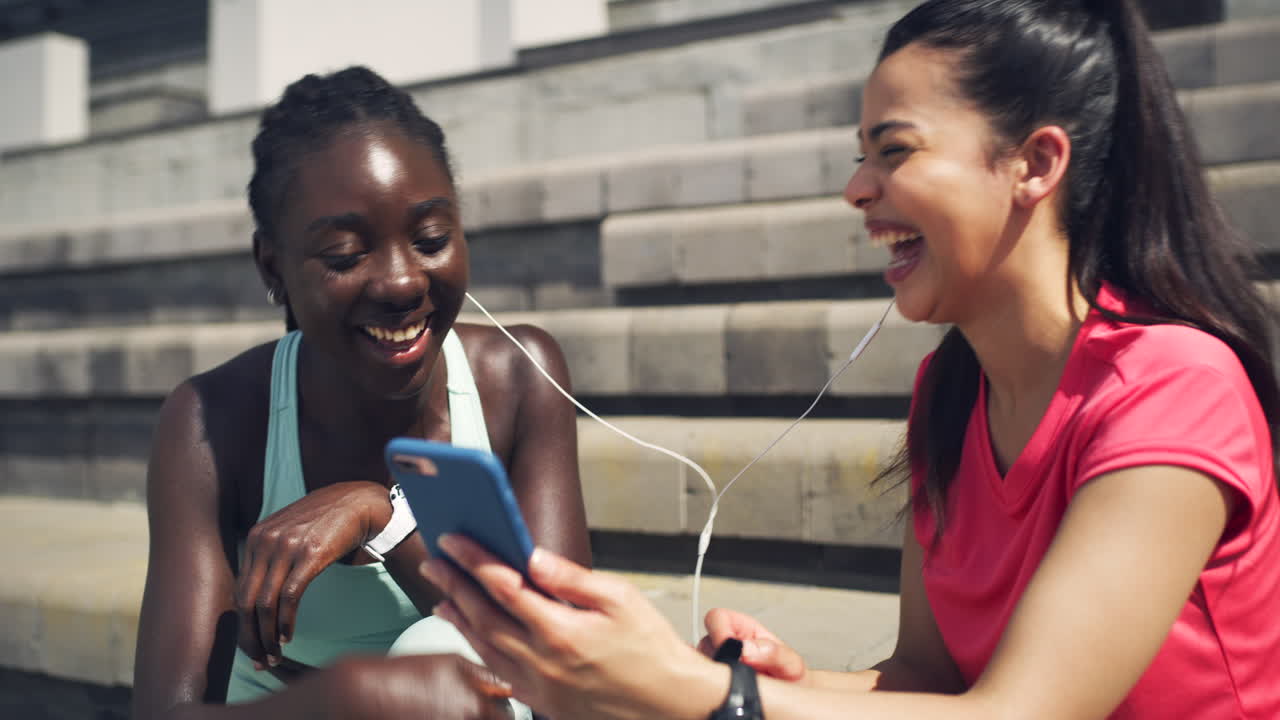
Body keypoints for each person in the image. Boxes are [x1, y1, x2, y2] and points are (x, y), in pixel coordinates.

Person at [423, 1, 1280, 717]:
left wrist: (699, 692)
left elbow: (1018, 713)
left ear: (1035, 162)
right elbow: (926, 678)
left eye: (894, 150)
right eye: (858, 156)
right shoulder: (950, 387)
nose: (857, 188)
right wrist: (758, 678)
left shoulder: (1173, 388)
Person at [131, 66, 590, 720]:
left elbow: (571, 673)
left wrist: (381, 516)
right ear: (273, 268)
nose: (402, 281)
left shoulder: (517, 378)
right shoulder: (214, 421)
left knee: (445, 656)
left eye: (431, 238)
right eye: (345, 254)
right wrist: (360, 700)